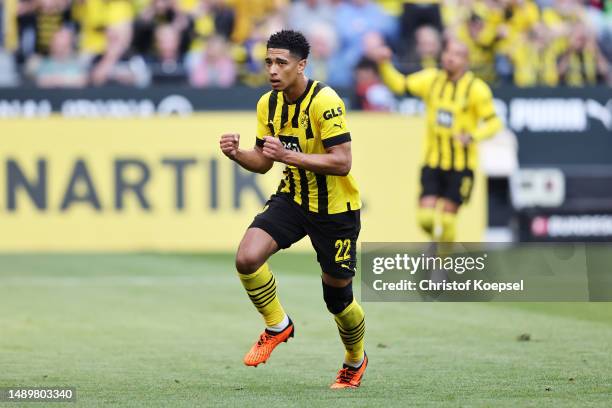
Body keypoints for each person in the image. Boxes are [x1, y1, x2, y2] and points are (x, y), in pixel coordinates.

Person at [218, 30, 367, 389]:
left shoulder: (325, 101)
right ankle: (277, 325)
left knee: (338, 300)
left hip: (336, 210)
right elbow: (264, 162)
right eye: (268, 61)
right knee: (247, 257)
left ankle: (354, 359)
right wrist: (238, 154)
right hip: (294, 198)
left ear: (301, 66)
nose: (272, 69)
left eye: (281, 62)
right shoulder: (268, 104)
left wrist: (288, 156)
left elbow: (342, 162)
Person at [369, 38, 503, 243]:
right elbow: (399, 84)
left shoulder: (476, 89)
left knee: (448, 221)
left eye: (457, 54)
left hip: (461, 166)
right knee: (425, 219)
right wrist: (384, 64)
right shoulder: (431, 80)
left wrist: (473, 136)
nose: (450, 58)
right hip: (432, 162)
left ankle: (444, 266)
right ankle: (441, 247)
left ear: (466, 61)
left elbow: (494, 123)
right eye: (448, 52)